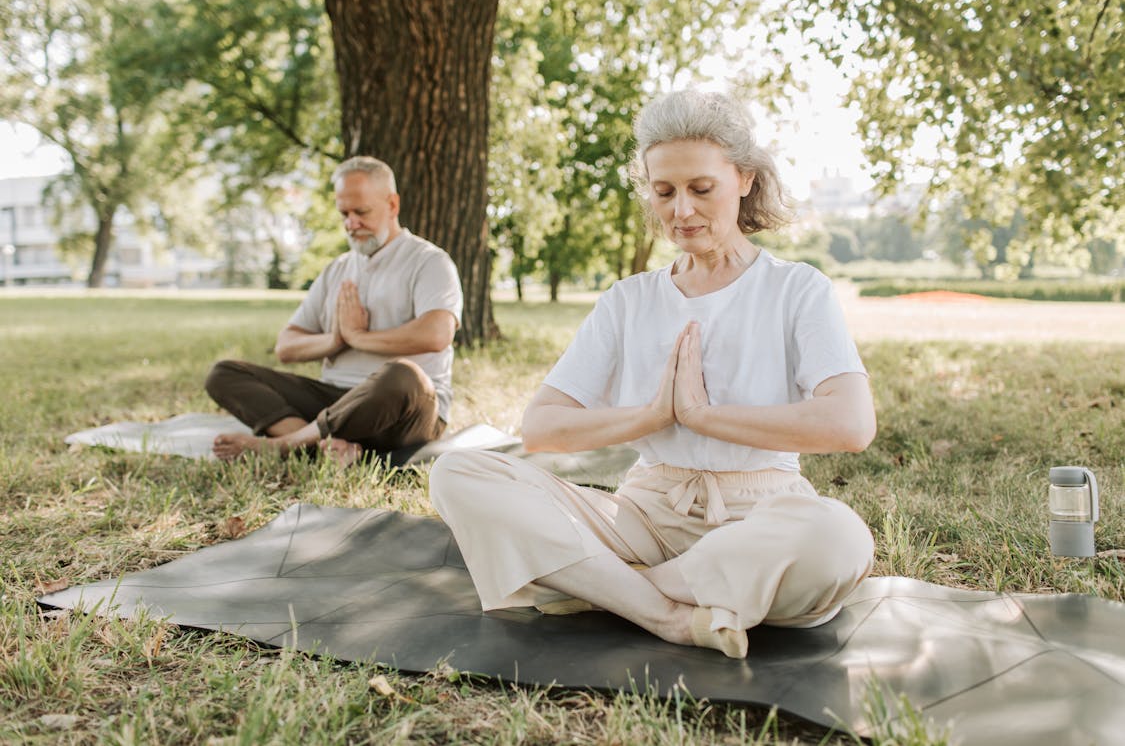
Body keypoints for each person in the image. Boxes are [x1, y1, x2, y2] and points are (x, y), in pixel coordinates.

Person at [428, 90, 876, 659]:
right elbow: (541, 427)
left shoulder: (797, 289)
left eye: (700, 189)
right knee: (459, 473)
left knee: (837, 540)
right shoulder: (628, 300)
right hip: (643, 513)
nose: (681, 211)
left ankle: (602, 588)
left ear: (743, 178)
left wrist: (702, 417)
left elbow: (851, 424)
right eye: (664, 192)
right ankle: (666, 613)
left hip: (761, 512)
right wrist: (652, 416)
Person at [205, 156, 463, 466]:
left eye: (361, 212)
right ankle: (324, 447)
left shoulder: (429, 261)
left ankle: (286, 445)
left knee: (403, 375)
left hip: (403, 411)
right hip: (335, 399)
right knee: (225, 373)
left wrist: (358, 336)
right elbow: (286, 346)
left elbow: (436, 334)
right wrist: (336, 340)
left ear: (392, 204)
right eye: (344, 214)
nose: (351, 224)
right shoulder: (336, 269)